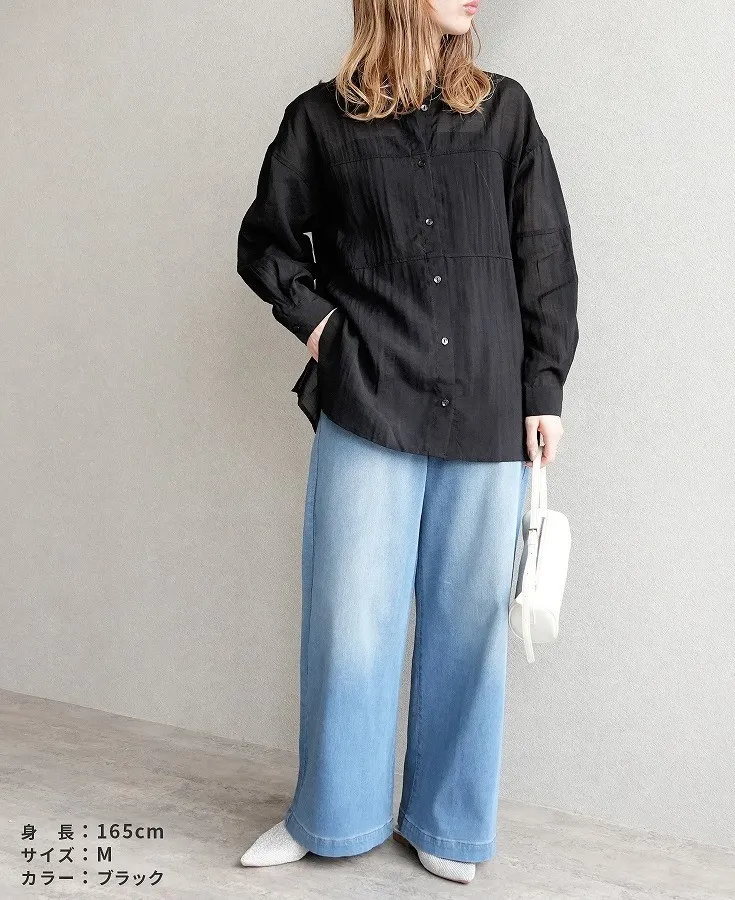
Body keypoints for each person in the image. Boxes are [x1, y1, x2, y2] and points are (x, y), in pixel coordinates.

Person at [235, 0, 578, 885]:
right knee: (349, 623)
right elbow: (266, 242)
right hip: (370, 399)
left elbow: (543, 251)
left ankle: (447, 826)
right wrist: (323, 331)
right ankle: (328, 818)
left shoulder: (505, 112)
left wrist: (544, 386)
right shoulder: (319, 121)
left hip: (489, 404)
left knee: (470, 627)